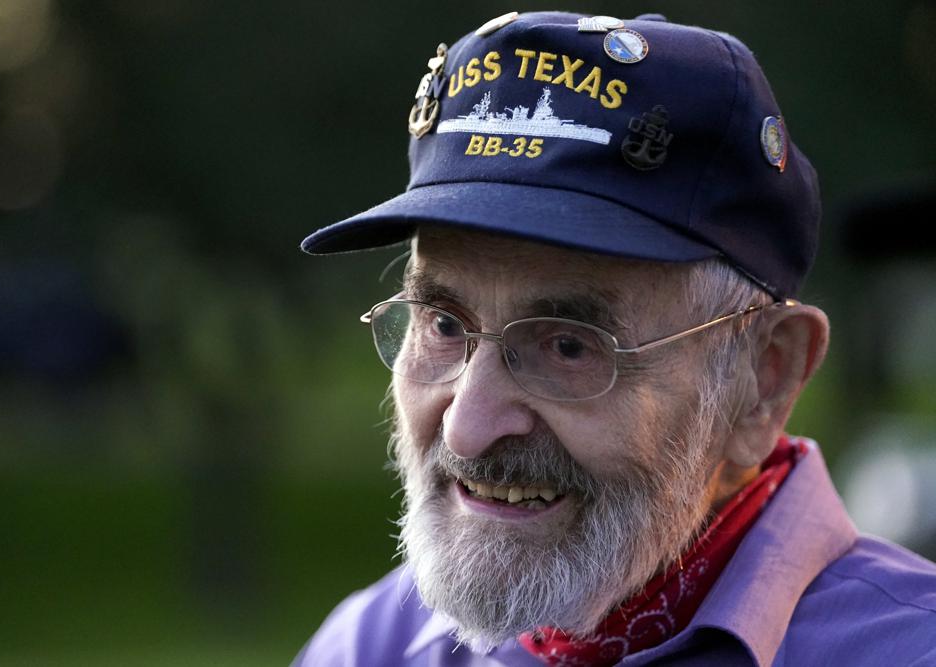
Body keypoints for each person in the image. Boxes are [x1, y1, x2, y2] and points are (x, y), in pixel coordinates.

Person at [295, 11, 936, 666]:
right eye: (445, 324)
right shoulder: (370, 646)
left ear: (763, 376)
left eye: (568, 346)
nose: (468, 427)